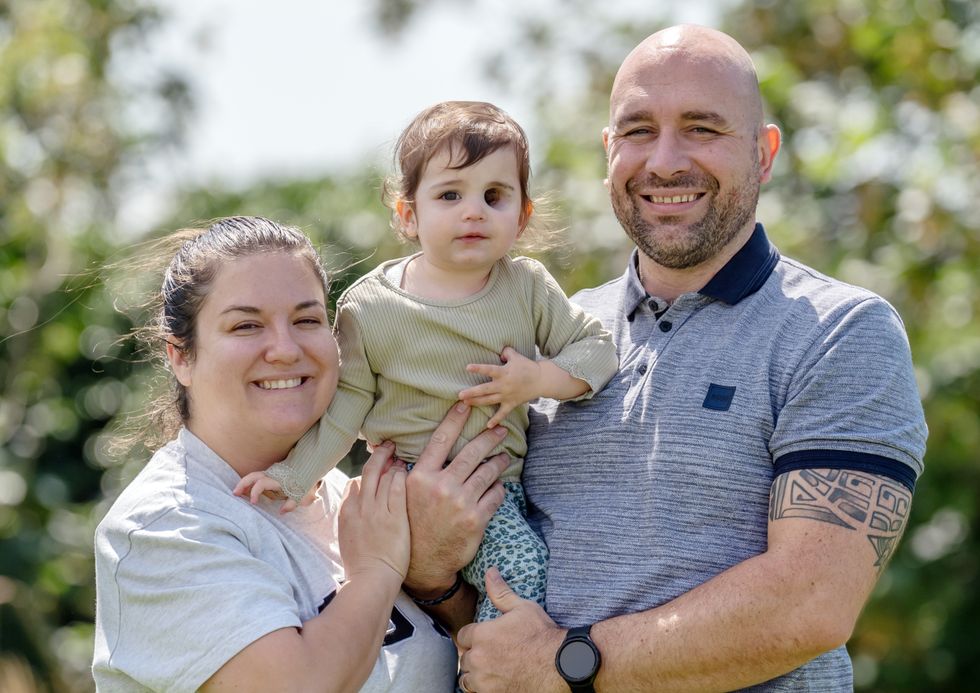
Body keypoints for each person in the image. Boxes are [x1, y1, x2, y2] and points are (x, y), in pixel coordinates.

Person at [451, 25, 928, 692]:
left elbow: (809, 604)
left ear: (764, 154)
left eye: (702, 128)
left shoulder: (842, 332)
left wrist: (563, 660)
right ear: (609, 149)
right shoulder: (543, 336)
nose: (665, 161)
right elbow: (473, 566)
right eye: (639, 130)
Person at [235, 102, 619, 621]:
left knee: (525, 578)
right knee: (520, 570)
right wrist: (297, 474)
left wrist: (537, 379)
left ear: (523, 216)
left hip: (492, 488)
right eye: (450, 195)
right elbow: (347, 404)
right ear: (408, 214)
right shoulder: (370, 306)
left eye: (495, 196)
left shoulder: (525, 287)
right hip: (399, 486)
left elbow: (597, 349)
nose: (474, 211)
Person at [91, 216, 509, 692]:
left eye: (307, 320)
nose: (285, 349)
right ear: (181, 356)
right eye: (246, 325)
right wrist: (377, 573)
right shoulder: (163, 527)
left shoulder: (356, 498)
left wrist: (435, 580)